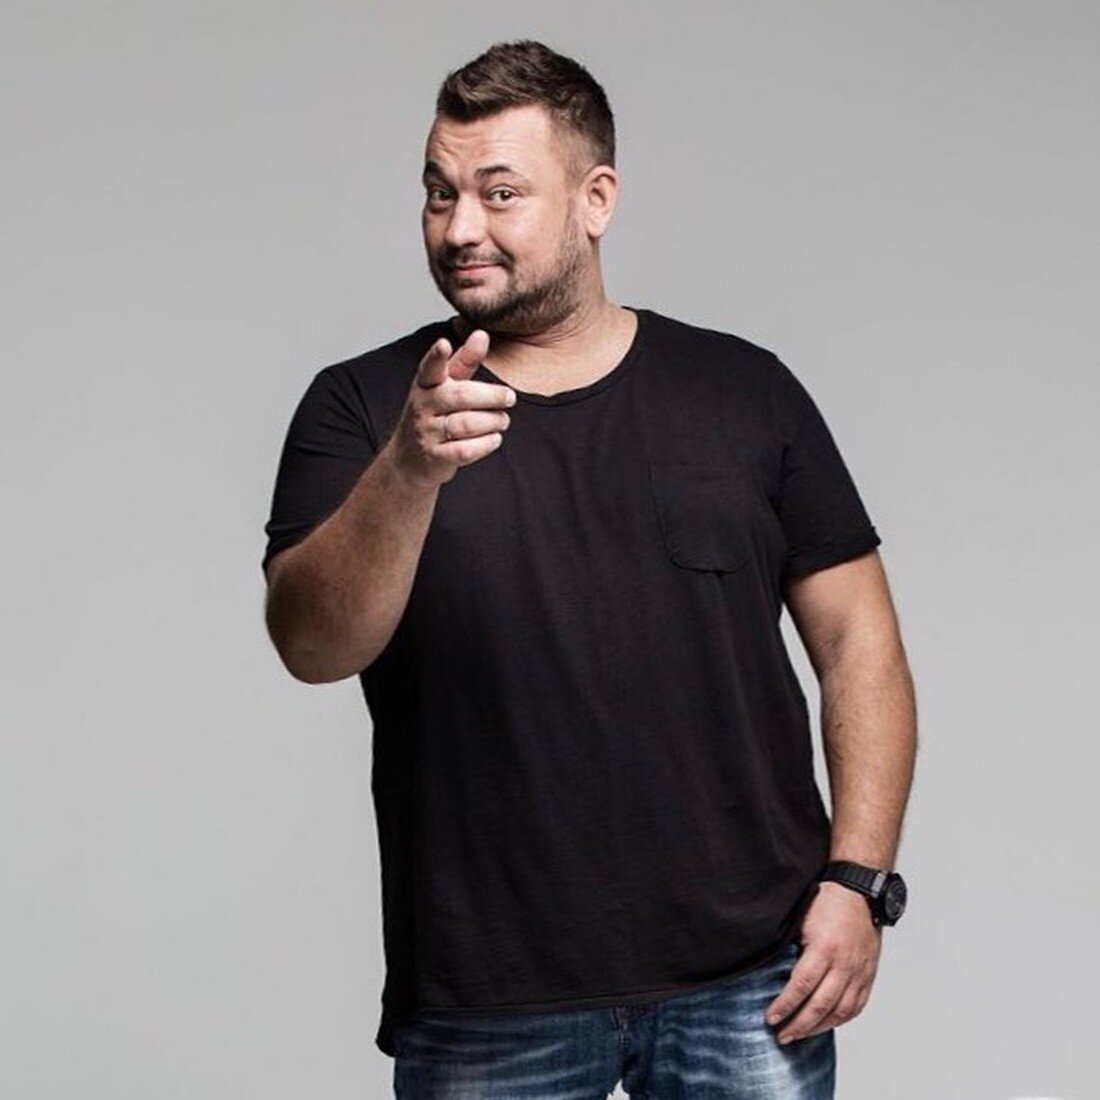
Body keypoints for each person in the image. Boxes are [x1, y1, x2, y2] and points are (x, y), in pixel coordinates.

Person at [261, 38, 917, 1100]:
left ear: (594, 199)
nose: (458, 227)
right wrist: (409, 469)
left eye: (499, 192)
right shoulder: (367, 406)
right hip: (488, 992)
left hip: (750, 975)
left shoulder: (743, 391)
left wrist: (857, 879)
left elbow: (860, 643)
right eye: (438, 193)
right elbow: (310, 645)